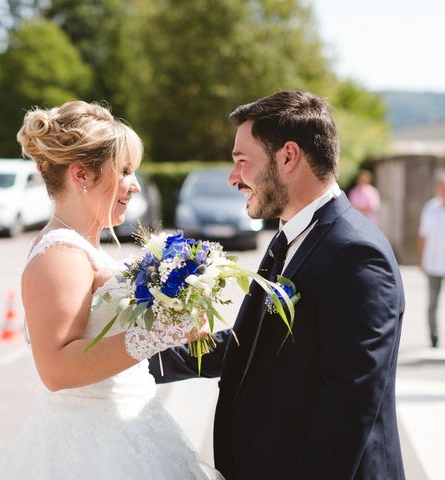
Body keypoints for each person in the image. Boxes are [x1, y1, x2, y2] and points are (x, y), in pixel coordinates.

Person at [150, 90, 405, 479]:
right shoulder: (290, 236)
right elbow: (250, 343)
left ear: (288, 156)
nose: (233, 178)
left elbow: (347, 408)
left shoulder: (355, 254)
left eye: (241, 161)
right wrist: (140, 359)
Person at [0, 101, 222, 479]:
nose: (134, 186)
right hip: (90, 452)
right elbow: (57, 370)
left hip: (129, 429)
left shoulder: (82, 248)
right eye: (126, 171)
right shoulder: (60, 254)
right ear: (81, 175)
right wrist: (159, 332)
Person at [419, 172, 445, 348]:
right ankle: (433, 336)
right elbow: (423, 235)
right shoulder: (430, 207)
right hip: (433, 262)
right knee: (432, 303)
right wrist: (421, 259)